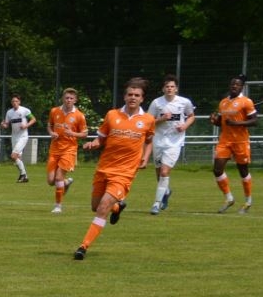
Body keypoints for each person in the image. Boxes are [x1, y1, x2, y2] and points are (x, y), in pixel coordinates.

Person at [73, 78, 154, 261]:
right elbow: (101, 138)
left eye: (137, 95)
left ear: (142, 99)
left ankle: (83, 247)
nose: (133, 97)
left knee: (102, 208)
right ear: (124, 97)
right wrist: (94, 144)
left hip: (125, 172)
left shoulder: (148, 120)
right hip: (104, 168)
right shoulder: (112, 115)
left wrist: (145, 157)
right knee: (96, 206)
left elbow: (149, 141)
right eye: (130, 94)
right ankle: (117, 207)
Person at [146, 75, 195, 214]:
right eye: (167, 86)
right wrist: (161, 119)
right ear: (163, 88)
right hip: (158, 140)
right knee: (159, 173)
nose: (169, 89)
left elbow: (191, 116)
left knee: (164, 171)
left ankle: (156, 203)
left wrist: (184, 126)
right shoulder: (156, 103)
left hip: (174, 142)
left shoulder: (184, 102)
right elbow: (148, 121)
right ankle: (166, 191)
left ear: (176, 89)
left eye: (172, 86)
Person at [211, 75, 258, 214]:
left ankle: (248, 201)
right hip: (225, 140)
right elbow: (221, 122)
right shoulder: (223, 102)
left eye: (237, 84)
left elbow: (255, 121)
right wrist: (214, 120)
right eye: (232, 84)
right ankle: (229, 198)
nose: (234, 86)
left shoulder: (246, 102)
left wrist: (237, 123)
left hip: (241, 141)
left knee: (243, 170)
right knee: (217, 169)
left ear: (241, 87)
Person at [45, 88, 88, 214]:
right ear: (63, 99)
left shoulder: (79, 115)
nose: (69, 100)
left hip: (69, 150)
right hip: (54, 149)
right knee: (50, 181)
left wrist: (72, 133)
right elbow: (49, 125)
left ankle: (58, 206)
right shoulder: (54, 111)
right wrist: (51, 133)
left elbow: (85, 133)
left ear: (75, 100)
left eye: (71, 98)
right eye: (67, 98)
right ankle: (66, 183)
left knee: (58, 177)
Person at [1, 94, 36, 182]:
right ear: (11, 102)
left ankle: (23, 174)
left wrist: (26, 125)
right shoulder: (9, 112)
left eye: (16, 101)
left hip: (23, 136)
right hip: (14, 137)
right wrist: (3, 125)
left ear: (19, 102)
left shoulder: (24, 110)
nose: (14, 103)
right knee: (18, 158)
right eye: (13, 101)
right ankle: (25, 177)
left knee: (13, 156)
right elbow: (6, 125)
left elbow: (33, 119)